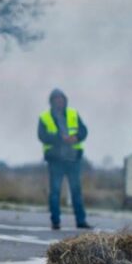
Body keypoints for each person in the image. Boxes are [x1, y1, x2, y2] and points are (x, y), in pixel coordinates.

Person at [37, 88, 91, 230]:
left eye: (61, 99)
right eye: (56, 99)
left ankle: (81, 220)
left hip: (73, 159)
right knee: (55, 191)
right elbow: (42, 136)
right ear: (51, 102)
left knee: (76, 191)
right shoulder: (45, 117)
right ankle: (55, 221)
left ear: (65, 100)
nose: (59, 102)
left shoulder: (73, 113)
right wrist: (60, 139)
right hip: (55, 160)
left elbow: (84, 130)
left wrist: (76, 137)